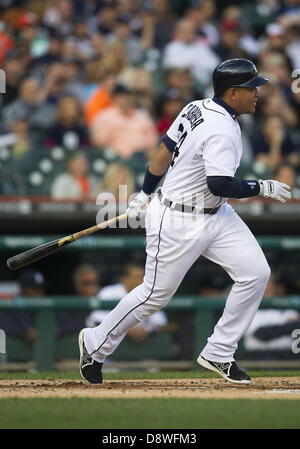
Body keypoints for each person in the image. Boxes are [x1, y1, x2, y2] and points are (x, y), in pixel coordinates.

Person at [78, 59, 292, 385]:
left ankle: (220, 350)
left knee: (256, 273)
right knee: (154, 296)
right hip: (179, 219)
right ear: (233, 92)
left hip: (216, 215)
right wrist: (262, 186)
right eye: (252, 89)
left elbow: (164, 152)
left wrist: (144, 192)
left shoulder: (199, 106)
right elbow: (218, 183)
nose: (257, 94)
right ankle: (95, 343)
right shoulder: (220, 127)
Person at [86, 263, 168, 344]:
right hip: (111, 345)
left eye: (143, 277)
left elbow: (160, 321)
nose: (141, 281)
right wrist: (124, 329)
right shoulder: (108, 292)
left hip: (140, 346)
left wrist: (146, 329)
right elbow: (96, 319)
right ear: (124, 279)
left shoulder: (147, 294)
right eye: (137, 277)